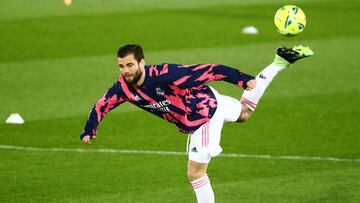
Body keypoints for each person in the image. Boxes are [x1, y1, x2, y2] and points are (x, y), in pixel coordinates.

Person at [80, 44, 313, 203]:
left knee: (195, 173)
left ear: (142, 63)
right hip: (211, 101)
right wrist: (90, 129)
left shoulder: (166, 74)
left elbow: (212, 70)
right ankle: (280, 62)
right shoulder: (122, 87)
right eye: (121, 66)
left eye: (129, 65)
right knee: (245, 112)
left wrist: (241, 80)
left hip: (203, 117)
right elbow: (102, 104)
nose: (125, 71)